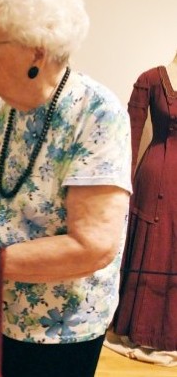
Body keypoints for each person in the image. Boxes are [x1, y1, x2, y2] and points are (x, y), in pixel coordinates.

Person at [0, 0, 132, 377]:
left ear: (36, 52)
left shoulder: (97, 114)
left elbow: (93, 246)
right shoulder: (6, 111)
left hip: (57, 330)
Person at [107, 55, 177, 365]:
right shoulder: (150, 78)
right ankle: (142, 328)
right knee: (155, 247)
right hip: (156, 177)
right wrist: (121, 188)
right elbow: (130, 138)